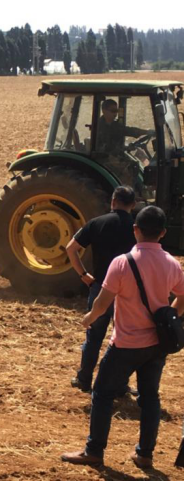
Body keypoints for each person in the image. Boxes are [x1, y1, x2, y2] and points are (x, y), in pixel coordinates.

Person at [61, 206, 184, 469]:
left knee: (102, 393)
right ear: (163, 233)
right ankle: (145, 454)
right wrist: (170, 316)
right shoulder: (172, 264)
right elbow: (183, 295)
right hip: (157, 345)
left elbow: (102, 303)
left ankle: (94, 451)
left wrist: (89, 318)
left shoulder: (122, 263)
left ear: (135, 230)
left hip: (126, 343)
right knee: (150, 398)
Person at [67, 186, 137, 393]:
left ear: (113, 201)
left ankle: (84, 379)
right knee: (123, 339)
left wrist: (83, 275)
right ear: (133, 205)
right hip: (126, 292)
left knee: (94, 337)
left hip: (100, 288)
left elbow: (71, 248)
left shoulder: (97, 223)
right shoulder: (137, 229)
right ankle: (119, 383)